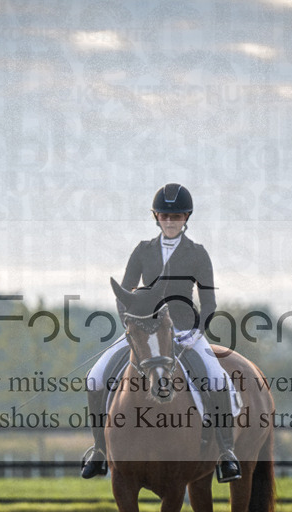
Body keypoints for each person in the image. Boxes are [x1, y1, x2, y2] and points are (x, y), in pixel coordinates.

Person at [81, 183, 242, 483]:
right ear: (156, 217)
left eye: (176, 216)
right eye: (165, 216)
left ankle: (226, 453)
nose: (170, 221)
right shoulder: (143, 250)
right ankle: (100, 450)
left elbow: (209, 302)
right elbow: (124, 293)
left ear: (186, 217)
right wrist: (131, 326)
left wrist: (196, 333)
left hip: (184, 330)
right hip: (143, 330)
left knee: (217, 378)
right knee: (95, 376)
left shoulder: (197, 254)